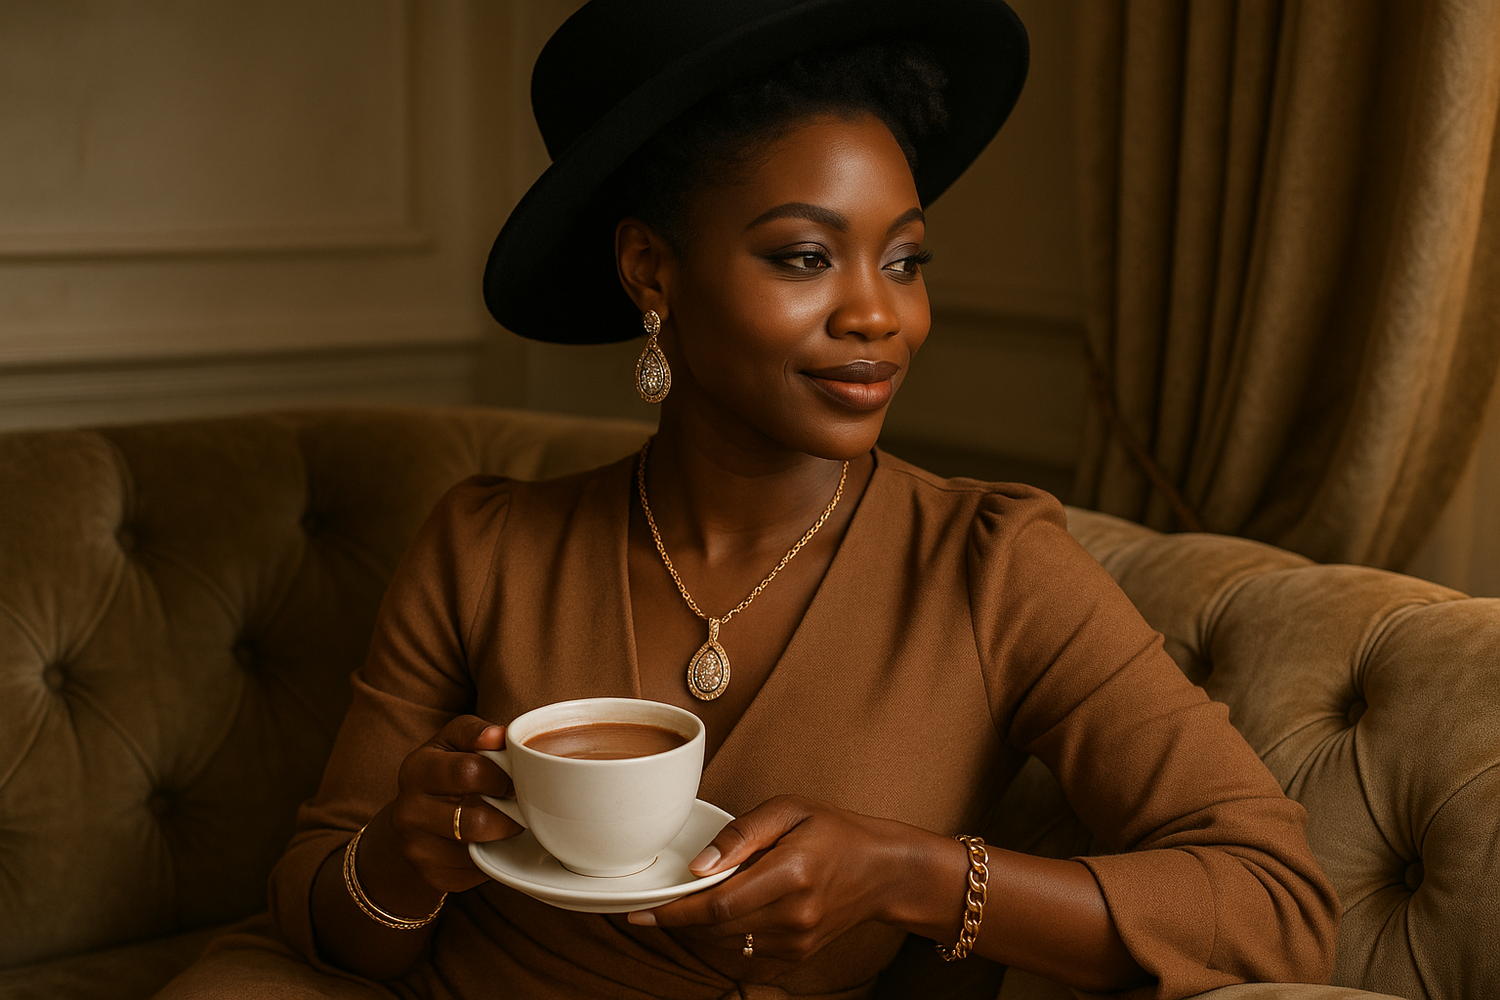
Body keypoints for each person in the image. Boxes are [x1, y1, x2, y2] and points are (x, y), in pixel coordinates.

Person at [156, 2, 1339, 998]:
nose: (880, 314)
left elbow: (1274, 900)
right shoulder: (486, 542)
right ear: (651, 272)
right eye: (805, 257)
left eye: (907, 258)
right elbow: (322, 912)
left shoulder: (994, 564)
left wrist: (915, 877)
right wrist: (407, 850)